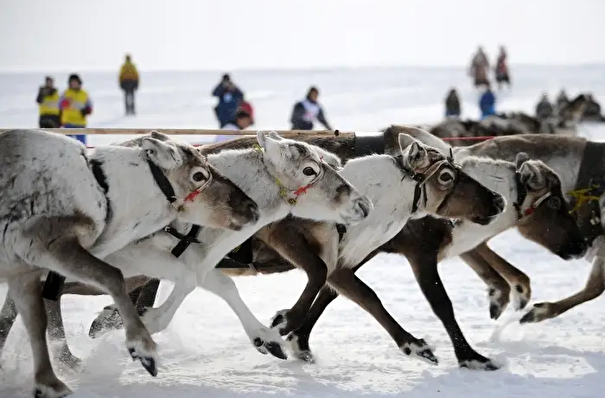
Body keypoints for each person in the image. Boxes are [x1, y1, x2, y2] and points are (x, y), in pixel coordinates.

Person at [59, 74, 92, 145]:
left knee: (82, 145)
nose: (73, 84)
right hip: (68, 123)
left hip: (80, 123)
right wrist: (66, 102)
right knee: (67, 145)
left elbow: (90, 107)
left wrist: (86, 111)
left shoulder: (84, 94)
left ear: (79, 82)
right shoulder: (66, 93)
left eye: (75, 82)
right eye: (72, 82)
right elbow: (60, 105)